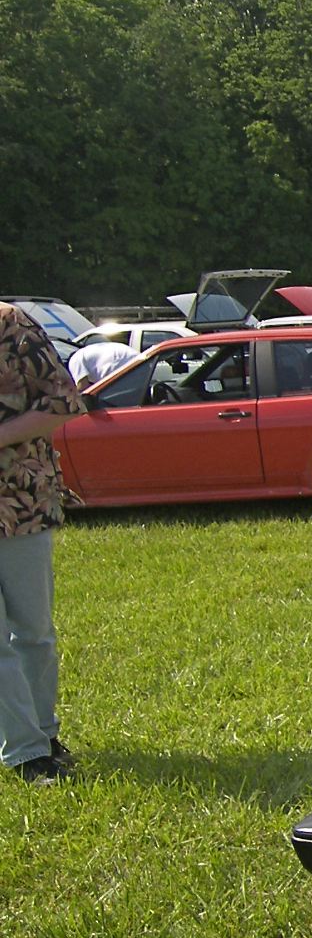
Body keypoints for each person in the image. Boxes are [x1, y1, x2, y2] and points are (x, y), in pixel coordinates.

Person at [0, 301, 86, 784]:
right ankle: (25, 751)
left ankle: (43, 733)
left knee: (33, 632)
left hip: (21, 502)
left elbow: (63, 402)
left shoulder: (11, 324)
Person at [67, 337, 133, 388]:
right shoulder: (87, 351)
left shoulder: (74, 360)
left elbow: (82, 386)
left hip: (121, 366)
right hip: (133, 358)